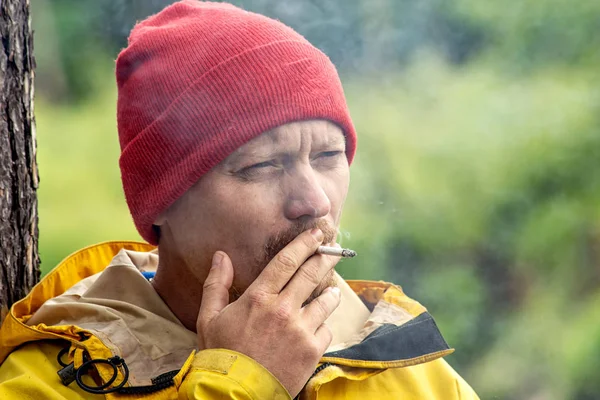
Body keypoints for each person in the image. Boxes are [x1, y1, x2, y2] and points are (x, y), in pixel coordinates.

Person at [0, 1, 479, 399]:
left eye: (330, 157)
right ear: (161, 199)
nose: (315, 202)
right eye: (262, 166)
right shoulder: (53, 380)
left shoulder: (404, 366)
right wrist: (242, 381)